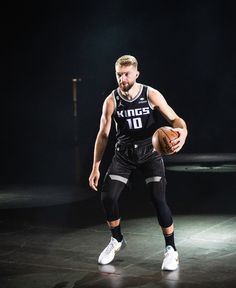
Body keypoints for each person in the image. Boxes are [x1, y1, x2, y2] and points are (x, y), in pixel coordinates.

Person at [89, 55, 187, 271]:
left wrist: (183, 131)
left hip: (150, 152)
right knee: (107, 197)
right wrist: (96, 166)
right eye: (119, 74)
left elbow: (175, 118)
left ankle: (171, 249)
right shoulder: (111, 100)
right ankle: (117, 240)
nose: (122, 78)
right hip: (123, 154)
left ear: (136, 74)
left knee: (157, 199)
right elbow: (103, 135)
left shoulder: (150, 94)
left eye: (126, 74)